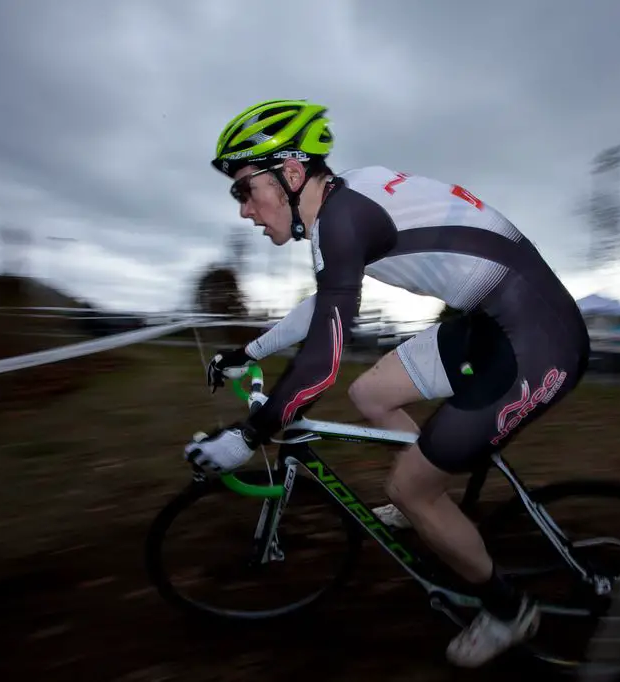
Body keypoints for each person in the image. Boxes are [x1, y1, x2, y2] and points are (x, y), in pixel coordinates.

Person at [185, 98, 591, 668]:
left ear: (293, 173)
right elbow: (323, 305)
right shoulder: (347, 201)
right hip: (490, 321)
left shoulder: (344, 219)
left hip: (536, 338)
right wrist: (247, 351)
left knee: (408, 487)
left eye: (244, 189)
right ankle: (433, 496)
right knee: (369, 393)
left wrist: (250, 435)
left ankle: (507, 609)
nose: (244, 210)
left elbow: (322, 359)